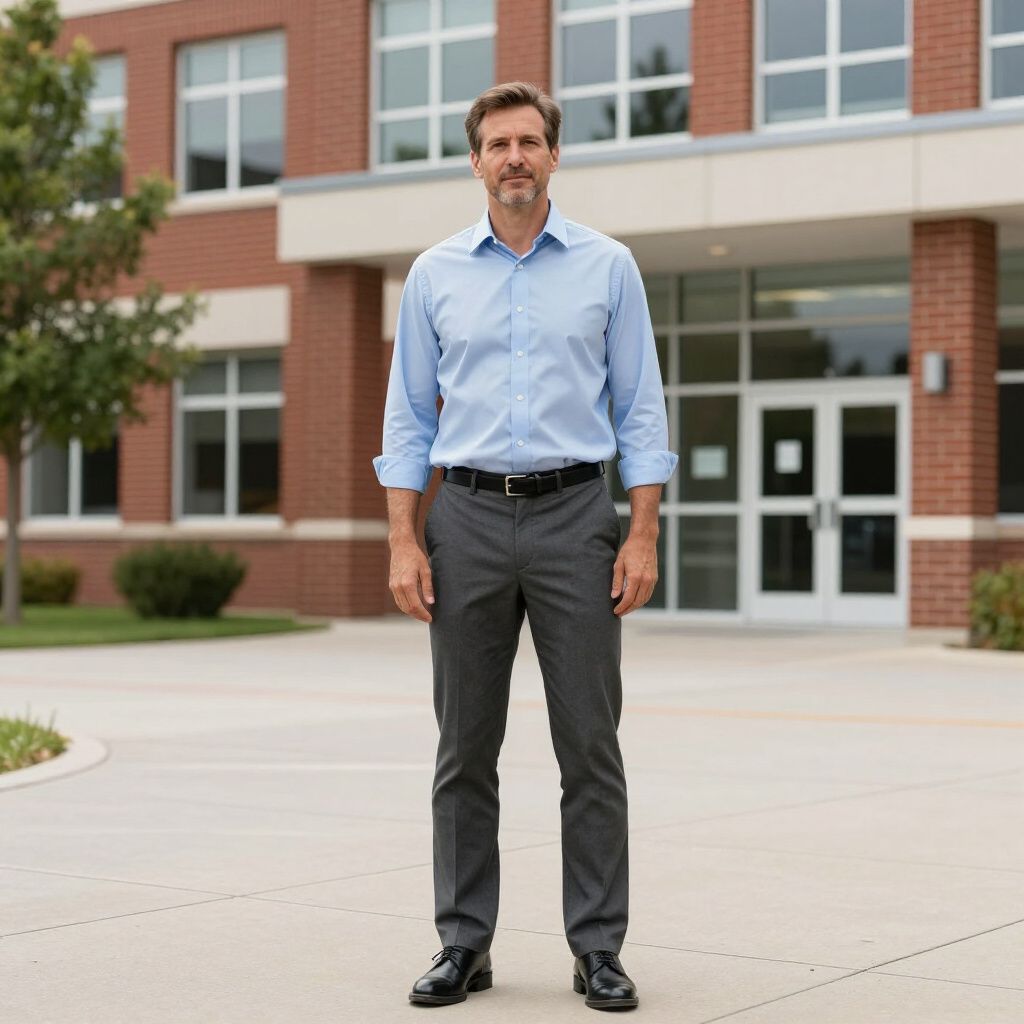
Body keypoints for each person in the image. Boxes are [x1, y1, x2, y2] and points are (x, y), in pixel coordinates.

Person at [372, 80, 677, 1011]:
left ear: (554, 156)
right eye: (497, 143)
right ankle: (463, 944)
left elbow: (640, 410)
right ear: (475, 160)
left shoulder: (608, 266)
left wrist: (643, 533)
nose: (514, 157)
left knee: (590, 744)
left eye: (530, 142)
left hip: (574, 517)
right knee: (465, 746)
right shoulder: (434, 275)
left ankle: (599, 948)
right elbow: (408, 420)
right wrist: (404, 542)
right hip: (461, 519)